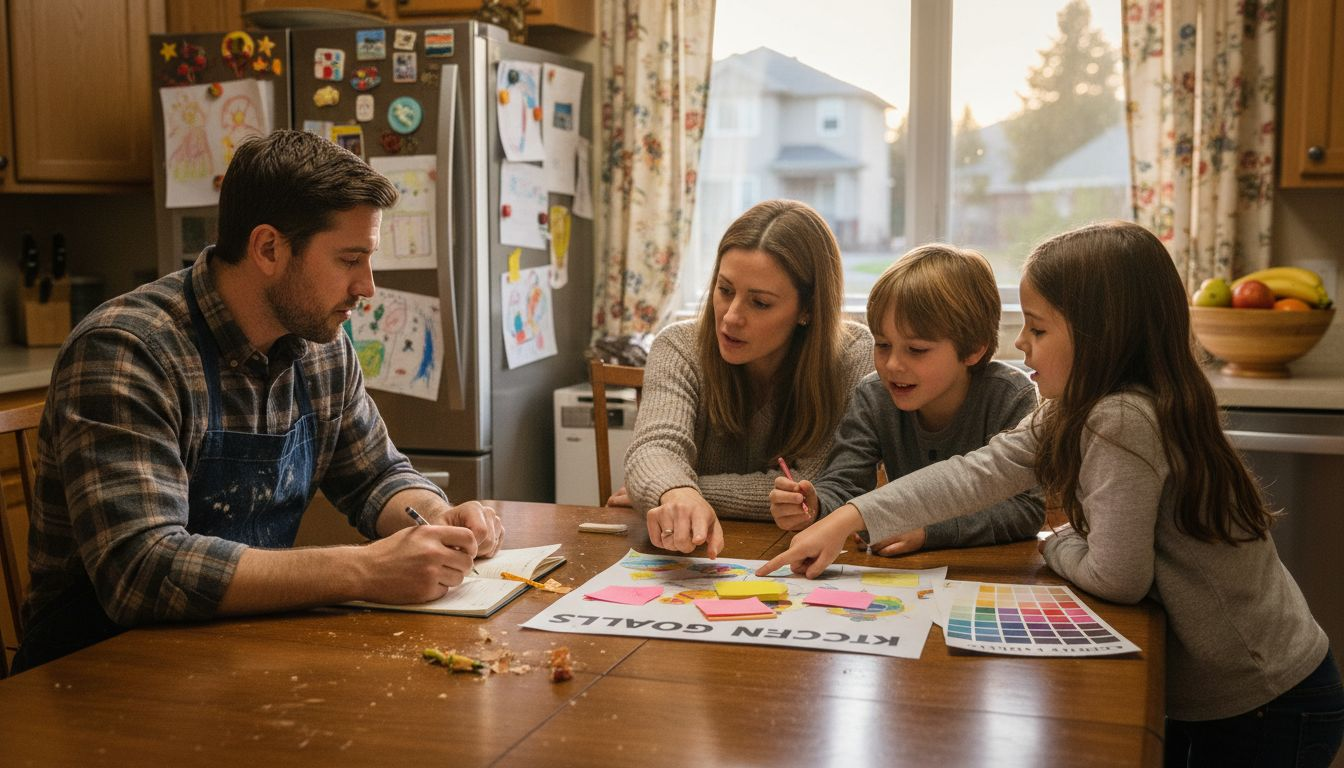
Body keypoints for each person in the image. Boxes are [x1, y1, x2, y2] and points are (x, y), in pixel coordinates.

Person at [757, 220, 1342, 767]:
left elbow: (1118, 577)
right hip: (1228, 694)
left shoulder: (1121, 418)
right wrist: (849, 516)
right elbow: (976, 472)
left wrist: (1055, 541)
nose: (1021, 345)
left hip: (1263, 700)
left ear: (1099, 336)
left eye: (1037, 329)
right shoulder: (1080, 407)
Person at [14, 130, 504, 673]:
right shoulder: (127, 351)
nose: (366, 287)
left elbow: (375, 475)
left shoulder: (320, 345)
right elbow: (143, 572)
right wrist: (366, 569)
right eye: (350, 259)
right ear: (268, 248)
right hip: (96, 672)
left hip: (232, 655)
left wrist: (437, 515)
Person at [622, 199, 873, 558]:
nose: (730, 317)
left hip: (798, 558)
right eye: (725, 290)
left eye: (760, 303)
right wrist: (675, 490)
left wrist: (679, 488)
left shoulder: (852, 354)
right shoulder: (678, 345)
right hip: (697, 556)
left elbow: (816, 488)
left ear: (806, 309)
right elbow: (655, 449)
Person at [769, 245, 1043, 553]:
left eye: (916, 350)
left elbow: (1025, 510)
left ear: (973, 349)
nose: (892, 365)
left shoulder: (1009, 396)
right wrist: (816, 506)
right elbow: (845, 484)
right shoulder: (874, 395)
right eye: (883, 344)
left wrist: (929, 532)